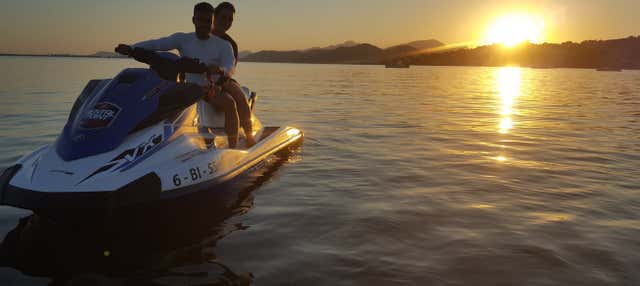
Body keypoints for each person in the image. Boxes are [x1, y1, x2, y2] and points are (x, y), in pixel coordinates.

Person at [114, 2, 242, 148]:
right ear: (194, 20)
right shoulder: (183, 39)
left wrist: (220, 70)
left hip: (210, 89)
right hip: (187, 89)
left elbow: (230, 67)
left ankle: (233, 148)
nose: (204, 24)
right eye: (200, 20)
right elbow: (157, 44)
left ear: (213, 21)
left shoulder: (224, 45)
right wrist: (130, 48)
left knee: (230, 103)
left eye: (208, 21)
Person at [213, 2, 256, 147]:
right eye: (223, 17)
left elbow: (230, 69)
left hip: (224, 80)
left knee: (239, 96)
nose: (226, 22)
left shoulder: (231, 44)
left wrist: (220, 84)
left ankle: (249, 136)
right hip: (205, 81)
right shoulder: (203, 37)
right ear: (215, 16)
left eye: (229, 19)